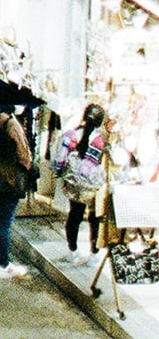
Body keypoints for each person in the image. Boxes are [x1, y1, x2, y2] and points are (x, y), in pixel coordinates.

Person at [0, 104, 36, 277]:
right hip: (7, 181)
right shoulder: (10, 124)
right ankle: (3, 265)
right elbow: (24, 156)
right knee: (3, 223)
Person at [59, 103, 118, 264]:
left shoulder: (72, 135)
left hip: (76, 184)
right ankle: (94, 254)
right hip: (94, 187)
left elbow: (60, 159)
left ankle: (73, 251)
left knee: (74, 216)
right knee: (95, 219)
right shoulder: (101, 140)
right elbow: (113, 160)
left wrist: (60, 172)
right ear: (100, 121)